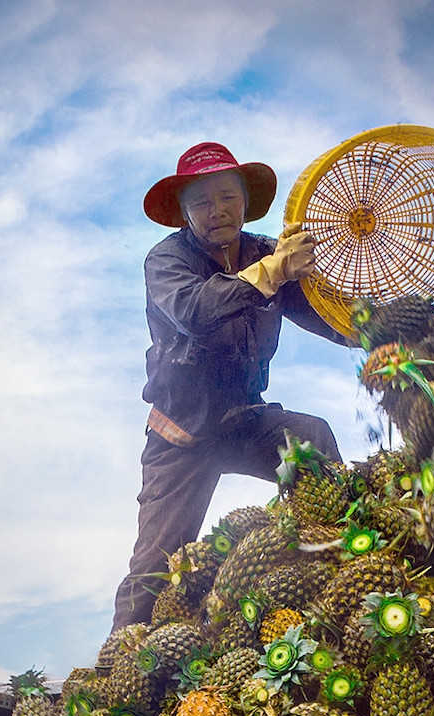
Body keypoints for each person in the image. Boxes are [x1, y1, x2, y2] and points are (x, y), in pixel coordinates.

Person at [111, 140, 356, 629]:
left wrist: (395, 329)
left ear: (245, 201)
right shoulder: (166, 262)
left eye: (227, 196)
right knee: (152, 572)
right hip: (181, 436)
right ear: (183, 213)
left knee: (313, 440)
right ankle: (109, 681)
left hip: (243, 421)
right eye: (200, 202)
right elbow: (194, 312)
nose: (216, 211)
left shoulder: (269, 253)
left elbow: (333, 317)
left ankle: (332, 578)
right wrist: (272, 271)